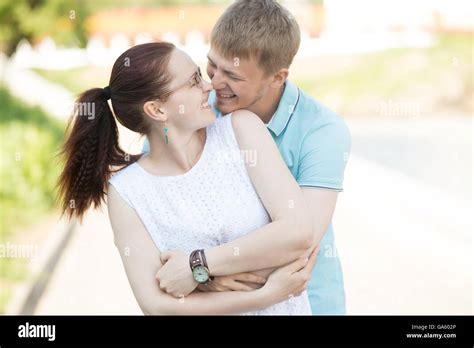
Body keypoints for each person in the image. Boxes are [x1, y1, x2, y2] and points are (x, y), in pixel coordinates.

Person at [57, 41, 319, 314]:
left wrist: (198, 267)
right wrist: (267, 294)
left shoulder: (242, 130)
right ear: (157, 110)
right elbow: (157, 305)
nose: (209, 86)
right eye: (193, 81)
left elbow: (298, 231)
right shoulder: (127, 192)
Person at [143, 0, 351, 314]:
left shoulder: (322, 131)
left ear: (277, 77)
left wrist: (200, 270)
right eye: (212, 65)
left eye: (233, 76)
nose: (214, 83)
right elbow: (158, 235)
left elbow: (298, 246)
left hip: (305, 303)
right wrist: (199, 274)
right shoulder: (189, 114)